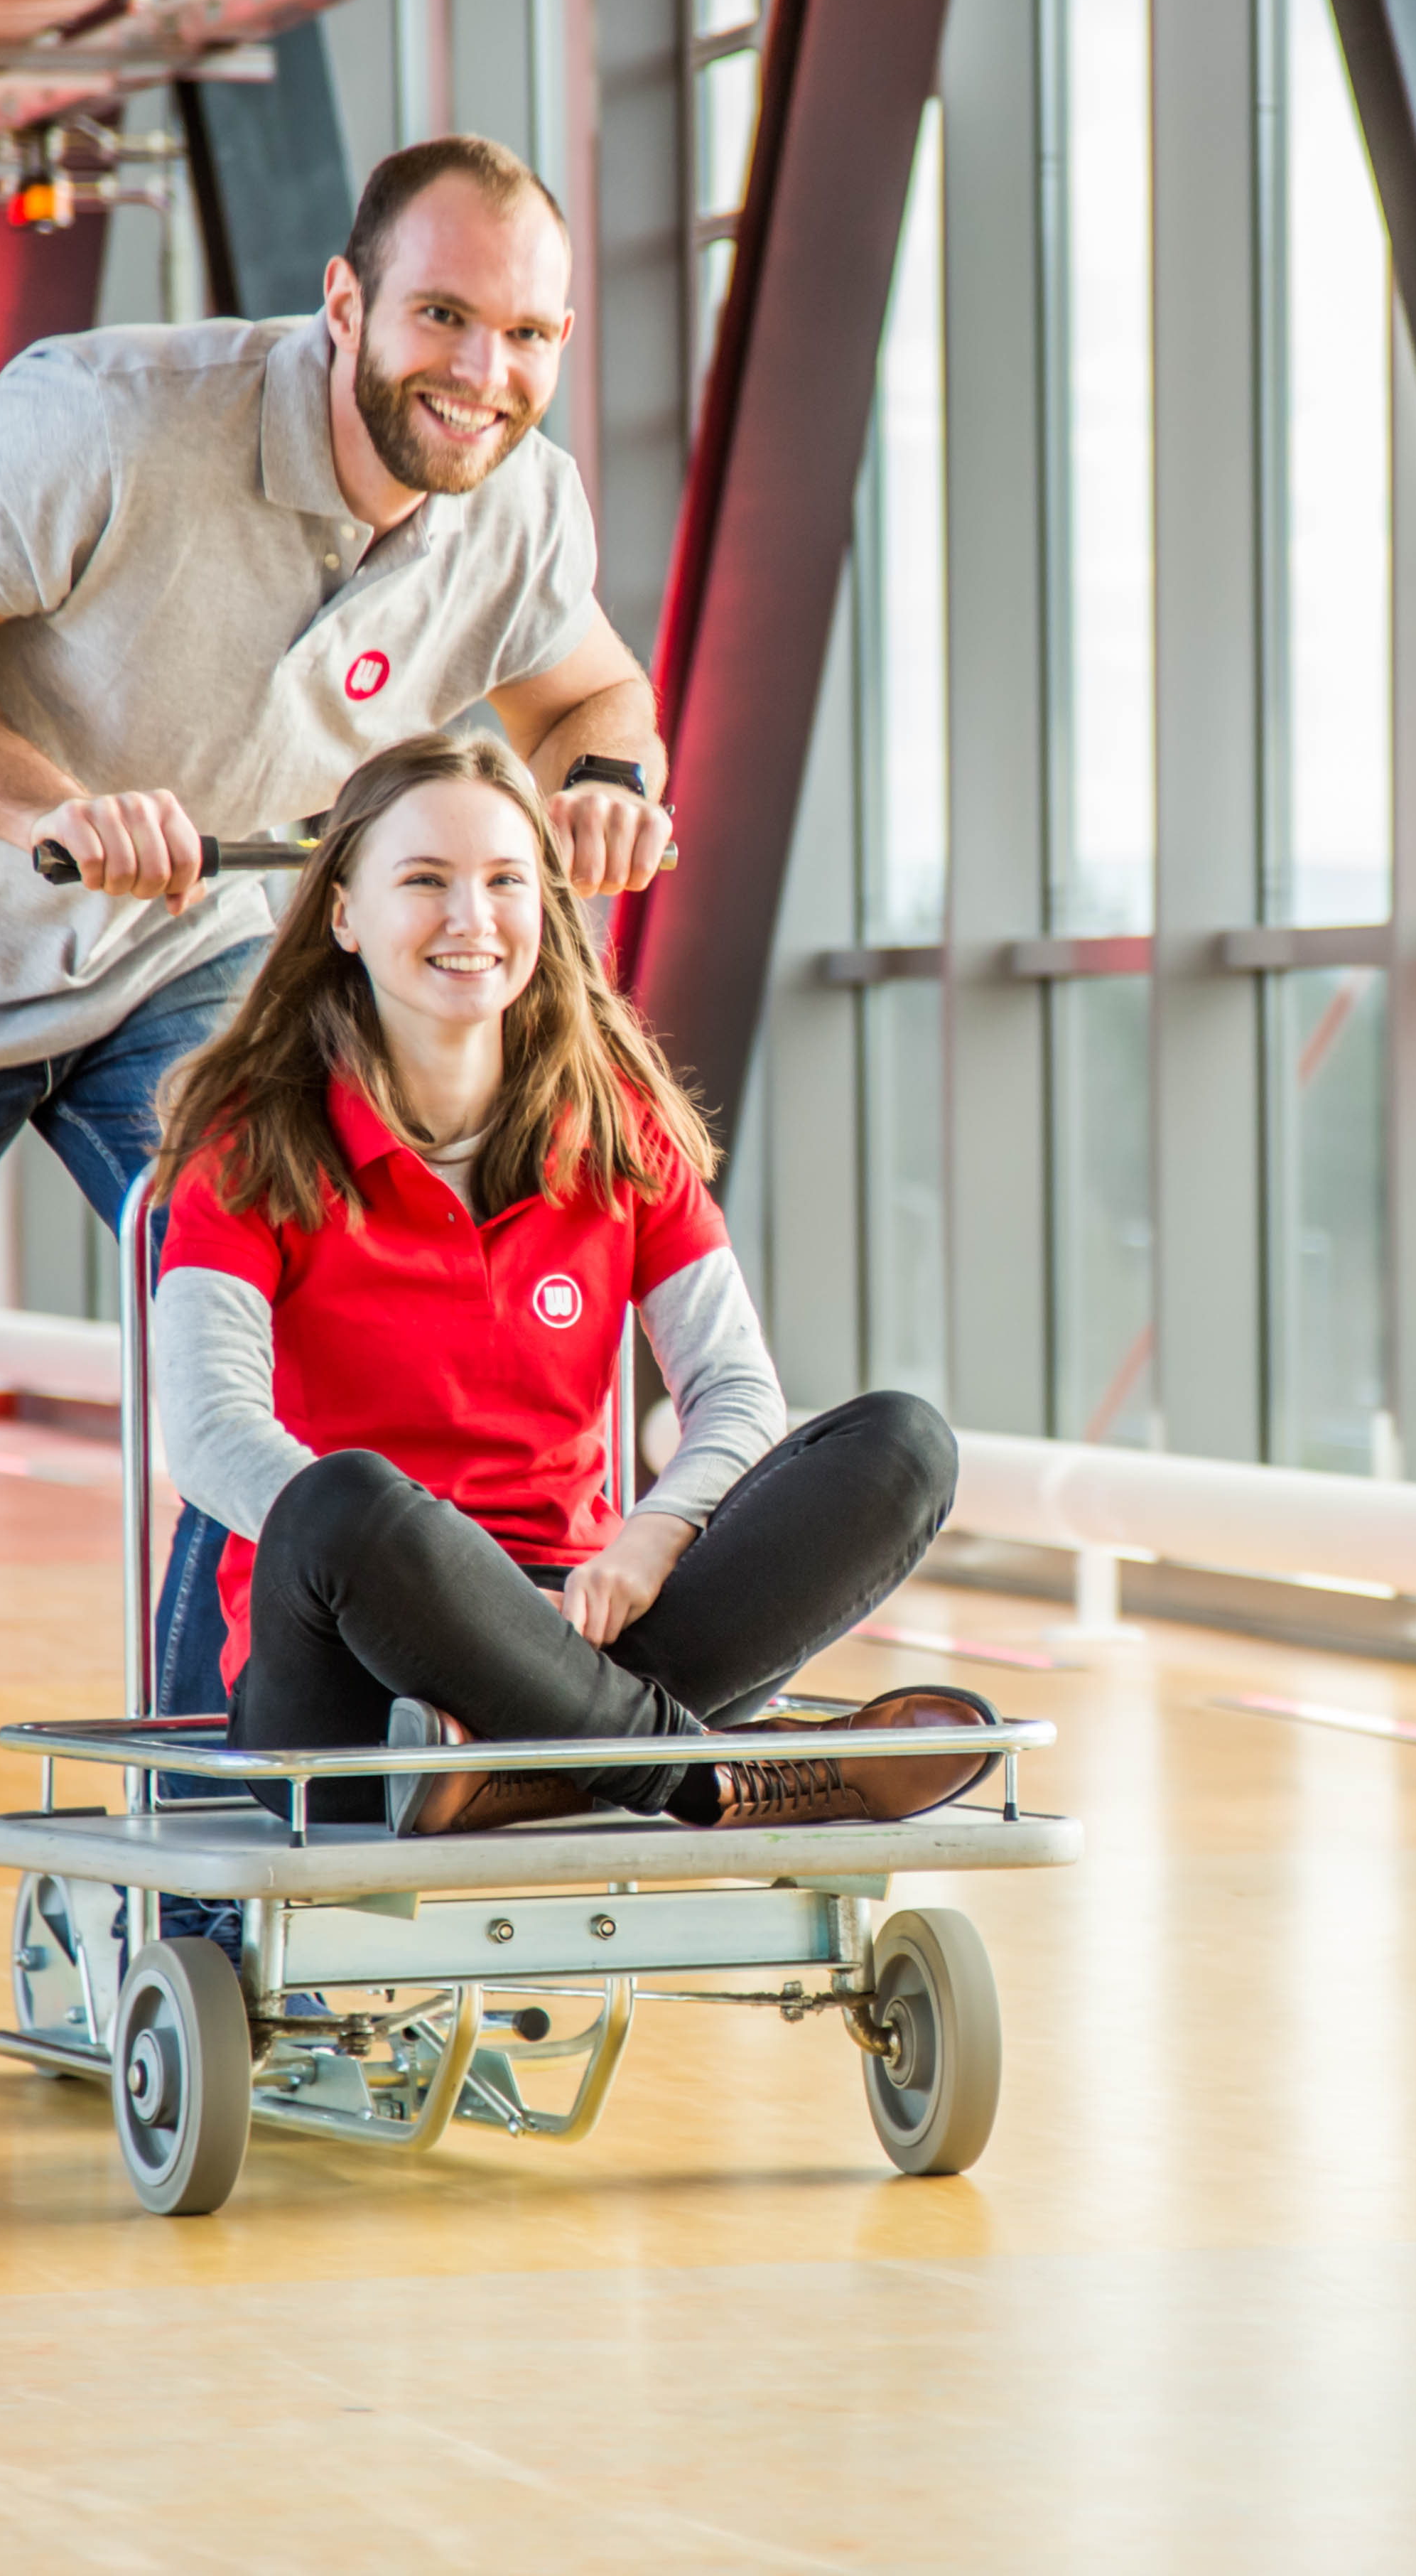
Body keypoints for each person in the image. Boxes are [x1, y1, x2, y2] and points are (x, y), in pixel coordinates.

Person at [0, 134, 681, 1834]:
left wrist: (607, 779)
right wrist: (51, 812)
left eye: (529, 336)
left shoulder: (510, 509)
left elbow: (593, 693)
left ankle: (227, 1813)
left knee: (272, 1348)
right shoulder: (111, 424)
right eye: (443, 317)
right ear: (343, 305)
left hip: (180, 974)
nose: (485, 373)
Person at [151, 729, 990, 1833]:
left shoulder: (617, 1134)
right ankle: (696, 1778)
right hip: (350, 1676)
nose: (472, 918)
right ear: (344, 915)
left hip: (589, 1612)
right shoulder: (252, 1144)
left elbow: (738, 1394)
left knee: (902, 1445)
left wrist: (654, 1535)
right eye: (425, 882)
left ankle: (516, 1767)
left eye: (506, 881)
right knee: (341, 1502)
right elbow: (211, 1434)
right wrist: (464, 1596)